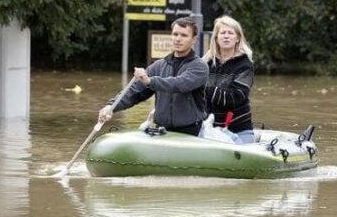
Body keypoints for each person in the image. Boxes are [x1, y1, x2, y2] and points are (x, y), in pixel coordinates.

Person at [98, 17, 209, 136]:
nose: (178, 39)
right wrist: (111, 106)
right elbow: (134, 92)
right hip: (162, 129)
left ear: (194, 39)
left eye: (183, 35)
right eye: (175, 34)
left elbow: (179, 84)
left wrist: (150, 81)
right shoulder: (158, 65)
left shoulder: (199, 67)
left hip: (190, 130)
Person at [202, 15, 255, 143]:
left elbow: (233, 97)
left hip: (238, 129)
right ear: (216, 37)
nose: (226, 36)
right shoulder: (206, 63)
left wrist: (201, 88)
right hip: (209, 129)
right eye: (222, 33)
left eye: (230, 33)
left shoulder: (245, 65)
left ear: (237, 38)